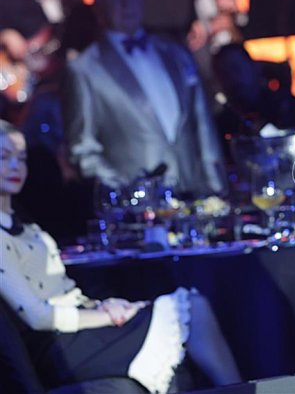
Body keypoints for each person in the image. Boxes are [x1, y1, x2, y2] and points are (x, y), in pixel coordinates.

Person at [0, 120, 240, 392]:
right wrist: (107, 317)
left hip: (76, 327)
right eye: (4, 157)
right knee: (189, 309)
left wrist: (102, 306)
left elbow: (65, 292)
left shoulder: (24, 225)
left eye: (21, 158)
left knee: (192, 306)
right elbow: (39, 317)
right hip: (59, 345)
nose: (15, 166)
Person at [63, 0, 225, 196]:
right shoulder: (84, 70)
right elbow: (83, 150)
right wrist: (129, 194)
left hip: (194, 196)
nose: (126, 3)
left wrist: (217, 189)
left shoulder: (176, 53)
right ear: (99, 6)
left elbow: (203, 128)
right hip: (139, 207)